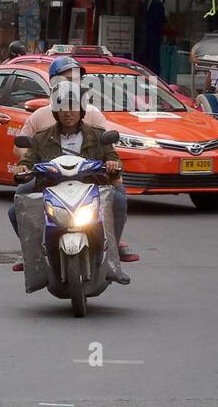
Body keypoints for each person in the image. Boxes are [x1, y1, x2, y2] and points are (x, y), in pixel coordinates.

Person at [11, 81, 130, 285]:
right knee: (15, 209)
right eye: (63, 108)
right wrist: (22, 168)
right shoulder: (41, 137)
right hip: (51, 187)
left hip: (91, 186)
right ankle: (32, 255)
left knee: (118, 199)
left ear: (81, 110)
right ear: (56, 111)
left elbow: (113, 157)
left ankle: (113, 257)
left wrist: (113, 165)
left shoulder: (98, 135)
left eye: (73, 107)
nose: (68, 113)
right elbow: (27, 161)